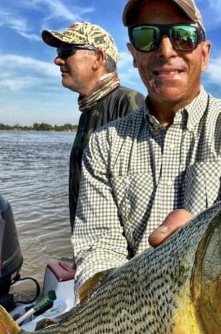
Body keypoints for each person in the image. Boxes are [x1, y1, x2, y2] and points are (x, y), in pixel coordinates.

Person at [72, 0, 221, 294]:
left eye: (183, 36)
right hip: (126, 315)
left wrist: (198, 247)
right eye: (147, 36)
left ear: (204, 54)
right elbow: (98, 250)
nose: (166, 50)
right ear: (133, 54)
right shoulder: (104, 143)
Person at [42, 22, 145, 229]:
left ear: (98, 58)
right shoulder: (89, 110)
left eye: (66, 51)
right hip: (89, 251)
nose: (57, 60)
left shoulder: (129, 104)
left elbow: (140, 201)